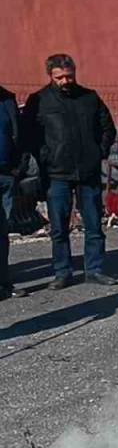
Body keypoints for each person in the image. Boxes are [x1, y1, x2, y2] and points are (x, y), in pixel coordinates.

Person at [23, 53, 117, 289]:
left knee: (94, 225)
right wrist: (45, 157)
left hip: (89, 172)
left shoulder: (89, 98)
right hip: (57, 175)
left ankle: (94, 269)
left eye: (69, 76)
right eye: (60, 77)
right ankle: (62, 272)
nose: (66, 81)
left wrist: (99, 152)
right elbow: (29, 135)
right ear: (50, 76)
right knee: (59, 228)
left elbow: (107, 127)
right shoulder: (39, 100)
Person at [0, 83, 26, 299]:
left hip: (5, 174)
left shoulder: (6, 100)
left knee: (2, 232)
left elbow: (18, 134)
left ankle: (3, 283)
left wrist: (17, 168)